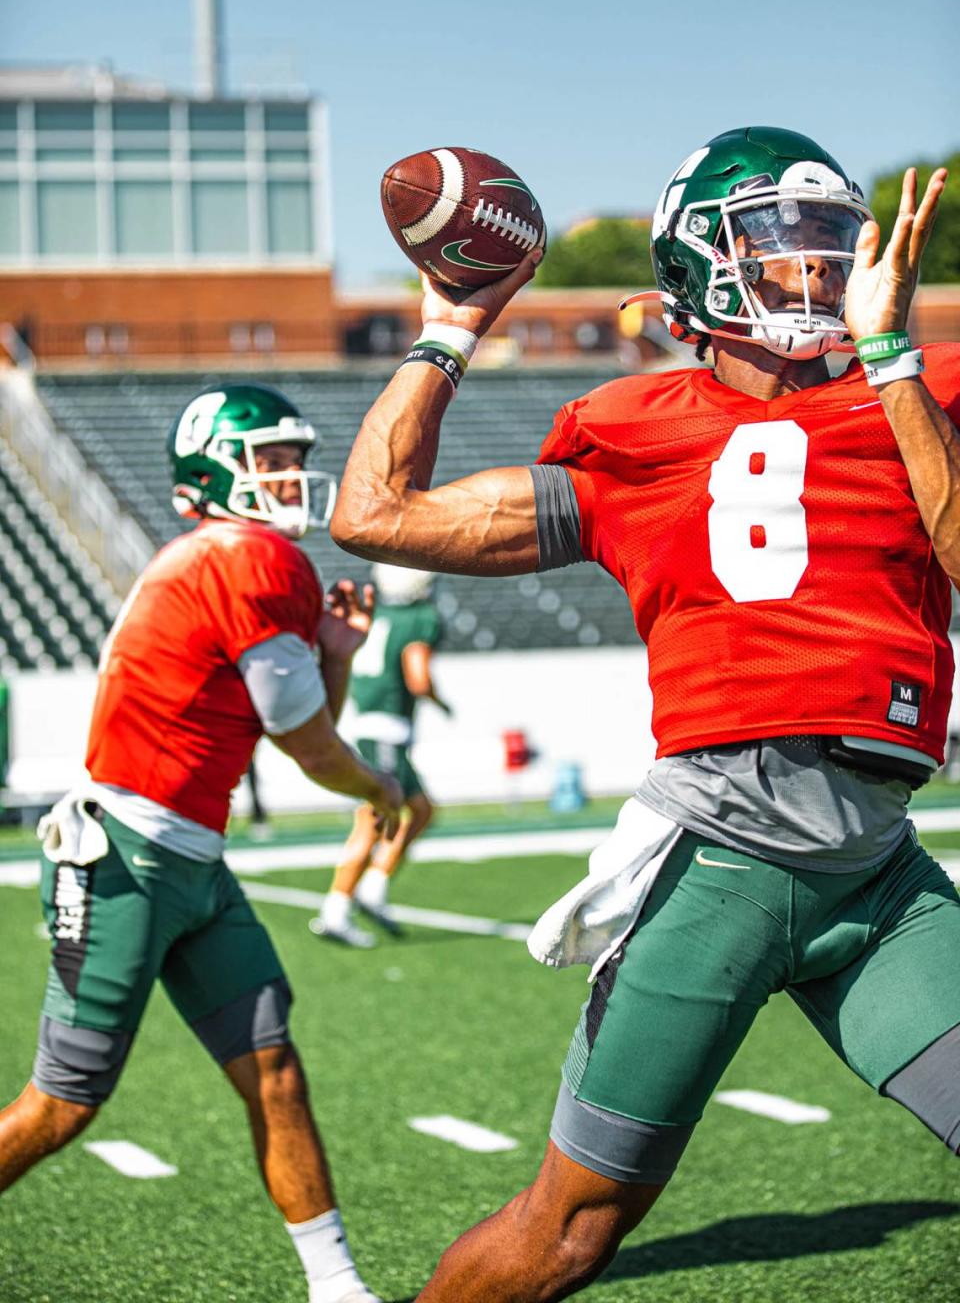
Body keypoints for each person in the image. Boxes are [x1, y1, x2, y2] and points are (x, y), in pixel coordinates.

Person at [329, 127, 960, 1302]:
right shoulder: (631, 432)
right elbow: (373, 515)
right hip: (717, 865)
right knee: (569, 1232)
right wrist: (450, 327)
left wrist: (893, 361)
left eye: (833, 240)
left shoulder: (917, 387)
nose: (818, 268)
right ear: (705, 265)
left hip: (876, 868)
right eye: (784, 244)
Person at [0, 383, 403, 1303]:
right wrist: (378, 787)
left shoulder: (236, 557)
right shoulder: (247, 556)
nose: (291, 475)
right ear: (215, 475)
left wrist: (334, 656)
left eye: (294, 457)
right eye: (269, 459)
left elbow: (293, 725)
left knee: (274, 1070)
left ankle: (338, 1289)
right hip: (123, 861)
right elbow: (309, 748)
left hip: (190, 861)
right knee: (63, 1105)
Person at [312, 562, 449, 947]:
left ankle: (373, 886)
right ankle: (336, 909)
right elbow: (418, 677)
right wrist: (441, 702)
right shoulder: (420, 617)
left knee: (420, 809)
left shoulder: (380, 613)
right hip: (387, 730)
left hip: (371, 724)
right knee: (372, 821)